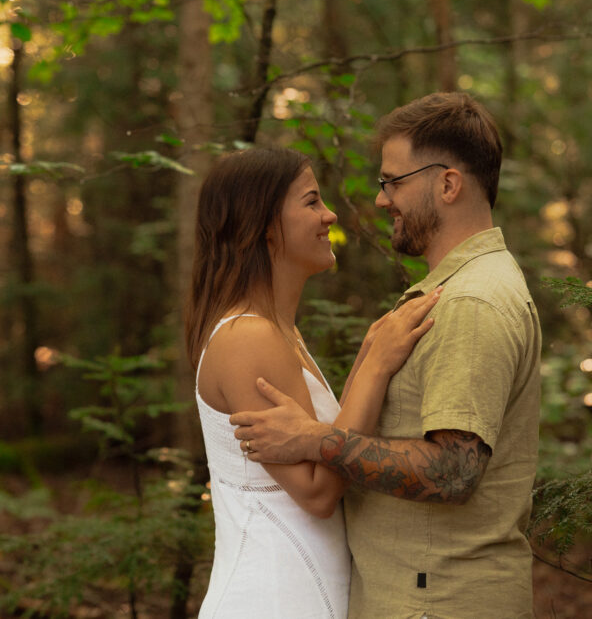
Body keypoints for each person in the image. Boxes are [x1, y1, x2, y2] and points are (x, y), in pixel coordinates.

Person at [231, 93, 542, 619]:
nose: (381, 199)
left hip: (439, 601)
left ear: (448, 184)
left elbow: (453, 472)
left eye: (393, 182)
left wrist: (314, 439)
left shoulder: (470, 302)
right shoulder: (460, 289)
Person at [185, 147, 440, 618]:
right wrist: (376, 367)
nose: (330, 215)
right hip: (270, 598)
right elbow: (318, 492)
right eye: (310, 202)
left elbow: (326, 441)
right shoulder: (246, 336)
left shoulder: (279, 332)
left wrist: (367, 356)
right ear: (262, 224)